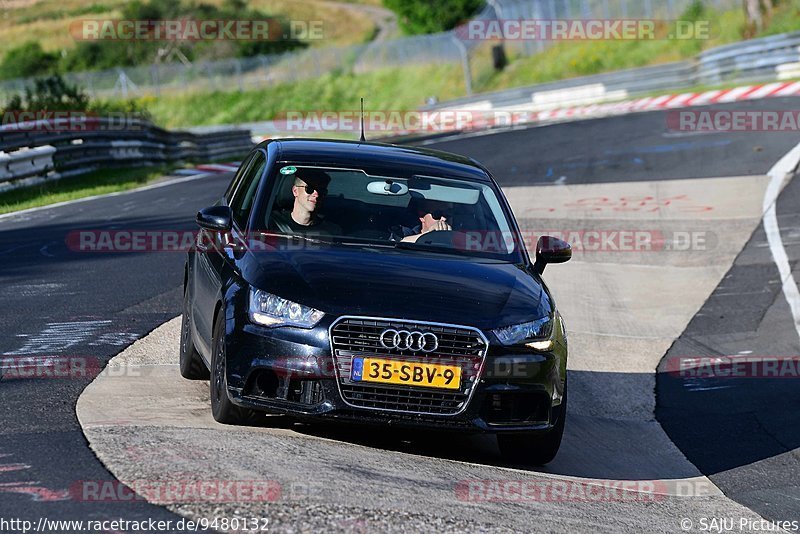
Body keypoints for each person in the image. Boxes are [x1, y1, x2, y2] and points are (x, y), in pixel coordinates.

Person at [270, 169, 342, 236]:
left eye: (321, 191)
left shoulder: (332, 232)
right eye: (309, 189)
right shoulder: (271, 223)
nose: (316, 194)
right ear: (295, 191)